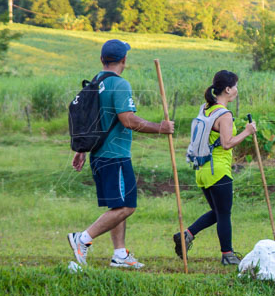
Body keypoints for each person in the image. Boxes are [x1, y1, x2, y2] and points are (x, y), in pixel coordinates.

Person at [68, 39, 174, 269]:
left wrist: (82, 149)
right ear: (124, 60)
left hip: (99, 154)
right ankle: (82, 238)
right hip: (114, 155)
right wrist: (160, 127)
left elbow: (89, 119)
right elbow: (128, 119)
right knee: (127, 207)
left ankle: (119, 254)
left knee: (117, 206)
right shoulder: (120, 84)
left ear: (102, 60)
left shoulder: (96, 81)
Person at [172, 70, 257, 266]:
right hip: (218, 170)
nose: (236, 89)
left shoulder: (205, 109)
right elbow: (227, 143)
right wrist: (247, 131)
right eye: (235, 85)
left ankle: (187, 235)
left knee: (218, 212)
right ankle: (227, 254)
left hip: (202, 170)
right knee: (224, 214)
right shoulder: (224, 114)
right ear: (227, 89)